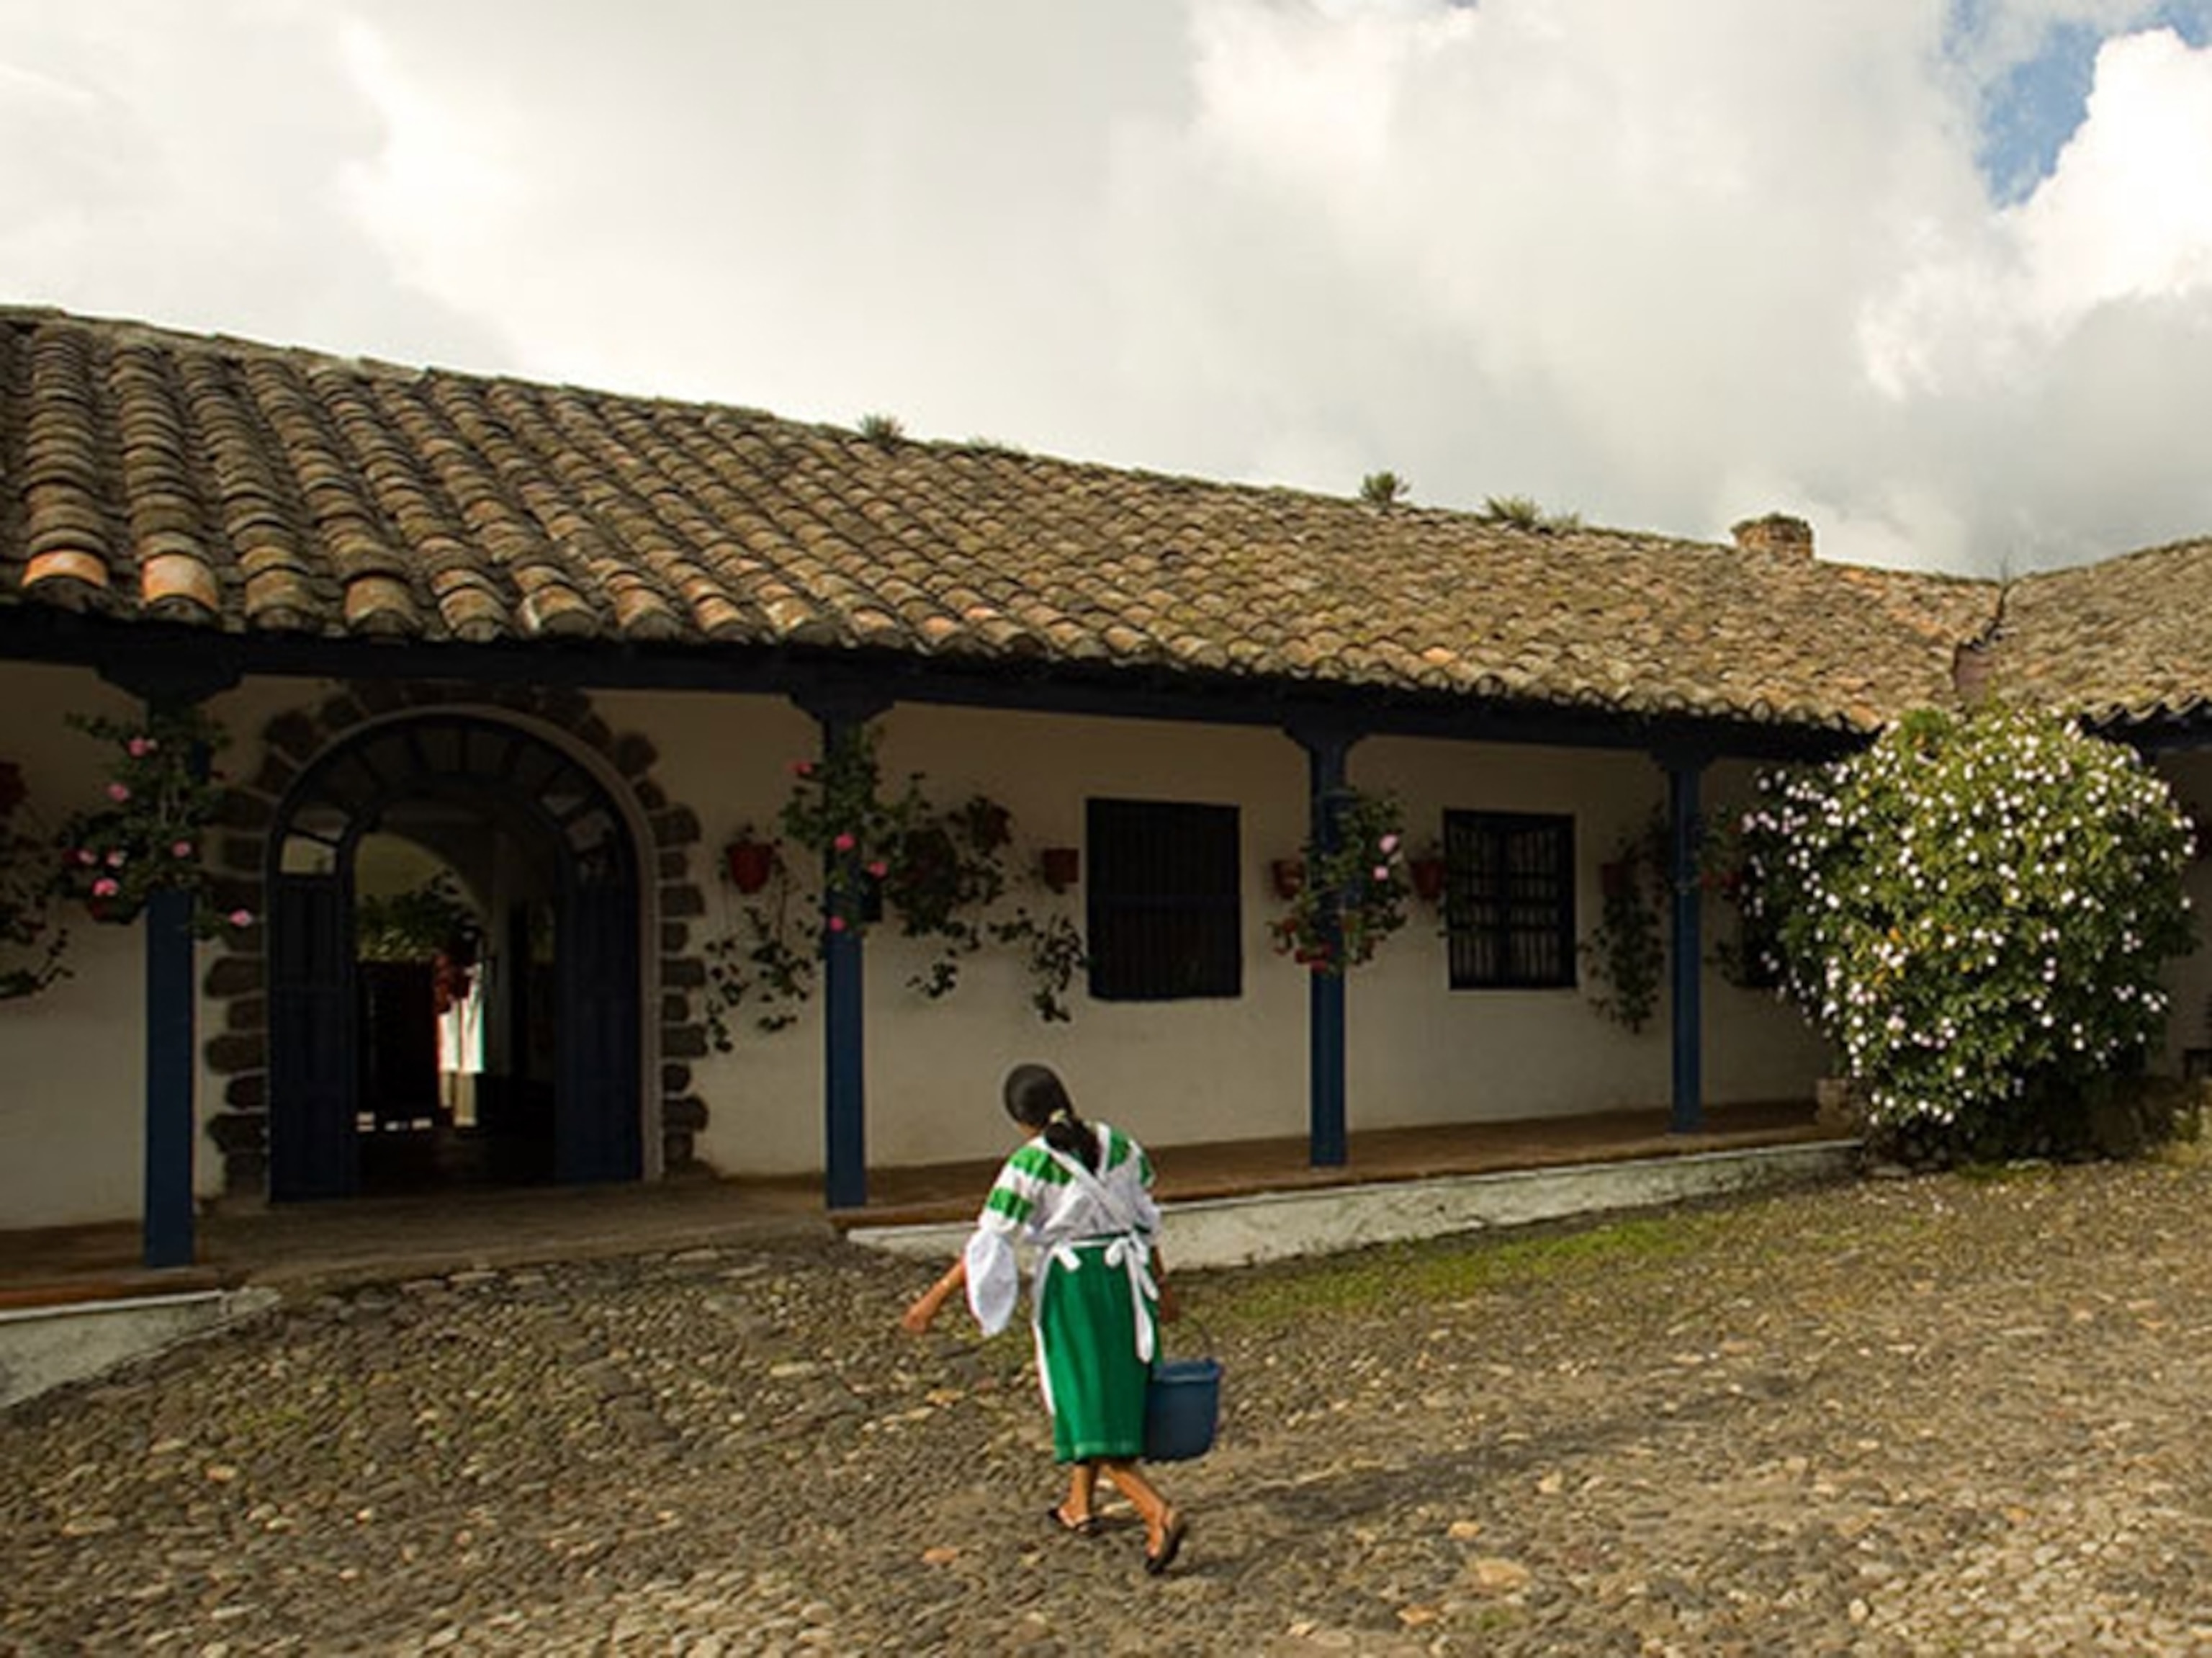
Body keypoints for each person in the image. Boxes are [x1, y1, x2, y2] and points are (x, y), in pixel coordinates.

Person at [900, 1062, 1189, 1575]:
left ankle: (1156, 1512)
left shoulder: (1031, 1163)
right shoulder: (1120, 1145)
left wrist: (935, 1297)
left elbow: (991, 1241)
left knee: (1082, 1403)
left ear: (1019, 1118)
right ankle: (1079, 1504)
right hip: (1126, 1283)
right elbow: (1146, 1223)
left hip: (1076, 1289)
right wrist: (1163, 1287)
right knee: (1106, 1392)